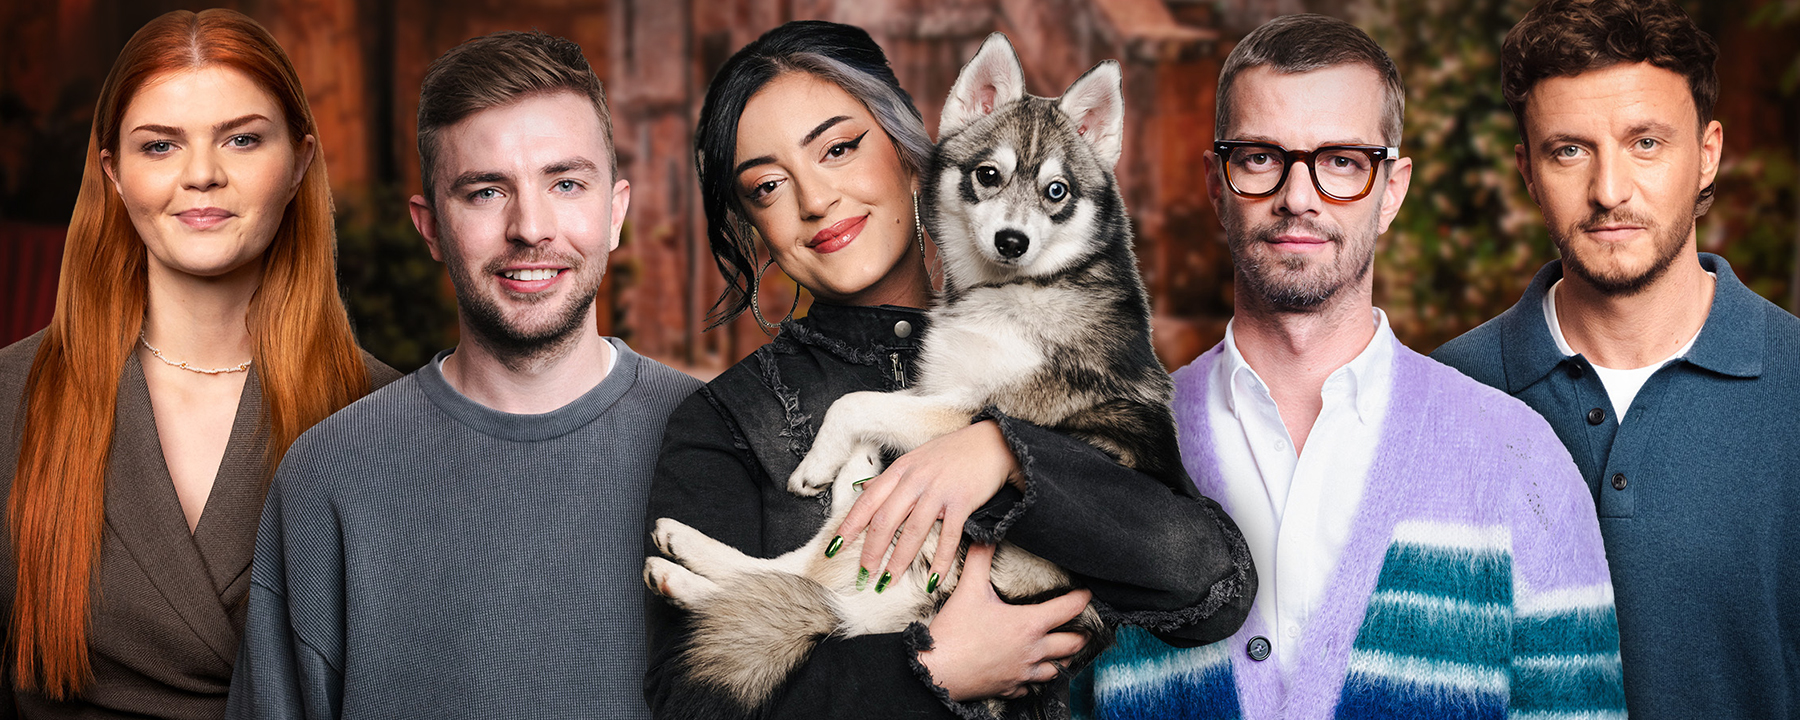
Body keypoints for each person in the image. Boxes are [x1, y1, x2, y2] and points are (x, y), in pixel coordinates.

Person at [644, 20, 1254, 719]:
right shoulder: (724, 420)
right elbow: (692, 705)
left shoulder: (1074, 340)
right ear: (753, 223)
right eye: (768, 186)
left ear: (910, 154)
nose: (814, 200)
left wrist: (1006, 454)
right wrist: (934, 667)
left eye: (839, 148)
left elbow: (1212, 590)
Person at [1075, 14, 1624, 718]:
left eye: (1341, 161)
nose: (1298, 197)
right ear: (1217, 184)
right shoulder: (1110, 458)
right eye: (1260, 157)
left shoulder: (1521, 465)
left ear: (1391, 189)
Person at [224, 31, 698, 719]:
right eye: (484, 193)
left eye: (566, 183)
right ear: (431, 228)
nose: (530, 227)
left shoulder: (715, 444)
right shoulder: (330, 475)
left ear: (615, 209)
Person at [0, 9, 397, 719]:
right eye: (160, 146)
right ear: (112, 174)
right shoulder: (8, 402)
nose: (203, 175)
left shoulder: (389, 418)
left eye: (243, 139)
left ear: (301, 158)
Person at [1432, 0, 1800, 716]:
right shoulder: (1442, 395)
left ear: (1709, 154)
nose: (1608, 191)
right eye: (1568, 149)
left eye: (1646, 143)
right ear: (1528, 171)